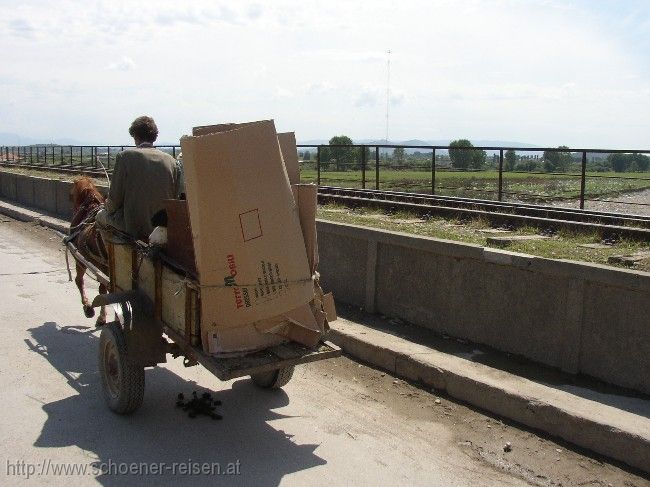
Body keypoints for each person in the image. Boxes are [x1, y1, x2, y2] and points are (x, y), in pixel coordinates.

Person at [96, 116, 181, 241]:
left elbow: (114, 201)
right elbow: (175, 198)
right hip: (162, 228)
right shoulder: (171, 161)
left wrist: (105, 207)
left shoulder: (125, 157)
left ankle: (107, 259)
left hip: (132, 227)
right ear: (154, 136)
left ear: (135, 136)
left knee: (99, 217)